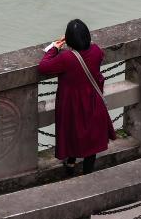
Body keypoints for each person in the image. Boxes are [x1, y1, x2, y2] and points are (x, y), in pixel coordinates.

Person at [39, 19, 116, 176]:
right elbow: (98, 54)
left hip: (72, 105)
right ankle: (88, 172)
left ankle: (70, 164)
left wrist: (54, 48)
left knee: (72, 134)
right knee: (91, 138)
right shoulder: (96, 50)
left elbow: (44, 67)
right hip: (93, 101)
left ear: (69, 39)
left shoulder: (66, 58)